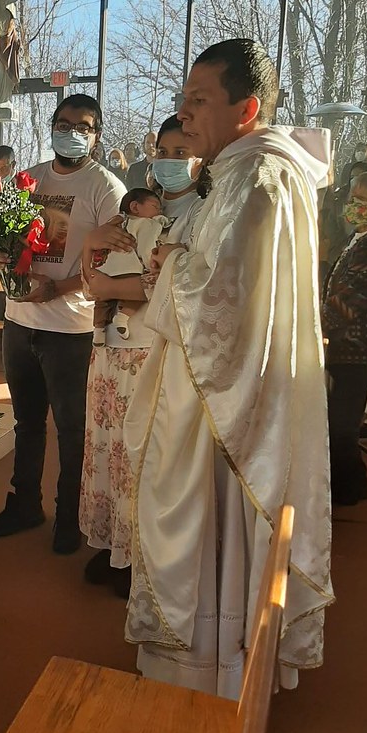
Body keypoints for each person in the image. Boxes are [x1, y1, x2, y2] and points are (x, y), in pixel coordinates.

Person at [123, 38, 334, 698]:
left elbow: (218, 297)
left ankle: (213, 669)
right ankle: (216, 661)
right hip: (218, 387)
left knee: (209, 522)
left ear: (246, 109)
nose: (184, 115)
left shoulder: (259, 175)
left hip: (223, 401)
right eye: (184, 100)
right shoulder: (245, 169)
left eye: (198, 101)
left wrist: (169, 264)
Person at [0, 94, 125, 554]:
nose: (71, 132)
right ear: (51, 126)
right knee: (26, 422)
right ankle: (25, 503)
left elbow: (114, 263)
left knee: (70, 428)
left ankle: (70, 515)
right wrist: (2, 257)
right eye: (63, 123)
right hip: (19, 320)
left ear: (96, 135)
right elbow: (6, 235)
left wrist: (58, 290)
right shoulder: (30, 180)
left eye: (83, 126)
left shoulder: (106, 188)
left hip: (70, 327)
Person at [80, 115, 207, 598]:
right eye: (164, 151)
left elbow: (182, 282)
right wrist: (95, 250)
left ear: (199, 156)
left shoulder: (202, 213)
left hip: (156, 349)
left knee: (144, 452)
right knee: (108, 445)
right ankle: (113, 544)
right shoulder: (129, 208)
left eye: (182, 153)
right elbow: (91, 263)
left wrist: (113, 285)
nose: (170, 162)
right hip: (111, 343)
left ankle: (143, 558)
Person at [322, 172, 367, 504]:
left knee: (342, 427)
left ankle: (351, 490)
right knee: (337, 423)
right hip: (342, 348)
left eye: (360, 200)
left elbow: (352, 300)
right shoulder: (356, 241)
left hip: (359, 350)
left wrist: (314, 324)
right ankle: (348, 487)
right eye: (351, 197)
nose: (351, 205)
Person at [91, 188, 165, 346]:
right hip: (129, 268)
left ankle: (98, 330)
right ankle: (123, 318)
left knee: (102, 301)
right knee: (139, 292)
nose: (159, 210)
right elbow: (147, 247)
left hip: (105, 268)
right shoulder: (147, 223)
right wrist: (149, 265)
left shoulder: (115, 222)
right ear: (135, 207)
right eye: (155, 206)